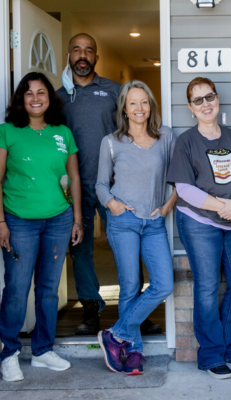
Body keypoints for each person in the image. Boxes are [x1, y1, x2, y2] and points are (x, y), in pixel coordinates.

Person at [57, 33, 159, 335]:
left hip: (114, 185)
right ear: (69, 56)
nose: (82, 55)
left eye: (89, 51)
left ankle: (136, 312)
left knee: (127, 247)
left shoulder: (115, 91)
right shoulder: (58, 97)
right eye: (77, 50)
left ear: (96, 58)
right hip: (73, 187)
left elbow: (133, 129)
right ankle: (90, 309)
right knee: (81, 249)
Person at [167, 77, 231, 380]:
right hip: (199, 222)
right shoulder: (186, 142)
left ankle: (229, 347)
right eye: (198, 100)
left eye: (210, 97)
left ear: (218, 100)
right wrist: (224, 206)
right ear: (190, 107)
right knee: (207, 286)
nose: (206, 104)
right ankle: (209, 354)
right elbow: (183, 188)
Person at [0, 72, 83, 381]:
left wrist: (76, 219)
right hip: (19, 220)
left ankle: (42, 351)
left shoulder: (62, 132)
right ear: (21, 99)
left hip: (58, 220)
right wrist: (0, 222)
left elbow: (73, 178)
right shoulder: (7, 132)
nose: (35, 98)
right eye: (29, 93)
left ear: (50, 98)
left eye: (41, 93)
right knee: (17, 290)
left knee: (48, 290)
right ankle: (8, 353)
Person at [96, 81, 176, 375]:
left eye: (144, 102)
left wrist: (167, 207)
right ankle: (134, 352)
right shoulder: (111, 142)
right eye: (133, 103)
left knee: (163, 284)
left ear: (150, 106)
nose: (139, 108)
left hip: (154, 222)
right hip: (123, 222)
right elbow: (101, 185)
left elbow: (179, 178)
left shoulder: (166, 136)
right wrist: (112, 204)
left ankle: (115, 335)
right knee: (129, 286)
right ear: (124, 109)